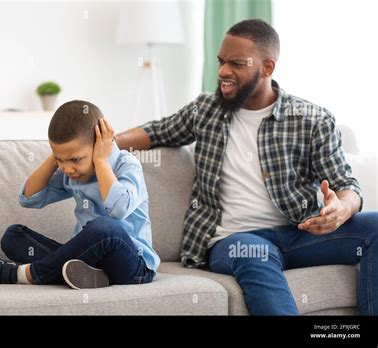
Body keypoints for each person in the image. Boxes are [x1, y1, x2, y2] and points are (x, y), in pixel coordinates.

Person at [115, 19, 377, 315]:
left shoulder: (311, 120)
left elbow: (346, 186)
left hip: (300, 232)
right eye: (221, 61)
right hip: (234, 239)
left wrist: (341, 209)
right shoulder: (205, 110)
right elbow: (155, 132)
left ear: (267, 68)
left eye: (236, 64)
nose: (223, 72)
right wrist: (106, 142)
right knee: (257, 253)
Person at [0, 100, 160, 289]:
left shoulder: (127, 165)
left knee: (104, 227)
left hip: (133, 266)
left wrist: (101, 160)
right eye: (61, 160)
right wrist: (56, 157)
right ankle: (79, 273)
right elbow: (28, 198)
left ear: (99, 144)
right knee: (13, 236)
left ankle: (28, 273)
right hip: (88, 261)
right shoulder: (71, 173)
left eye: (75, 159)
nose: (68, 168)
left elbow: (118, 209)